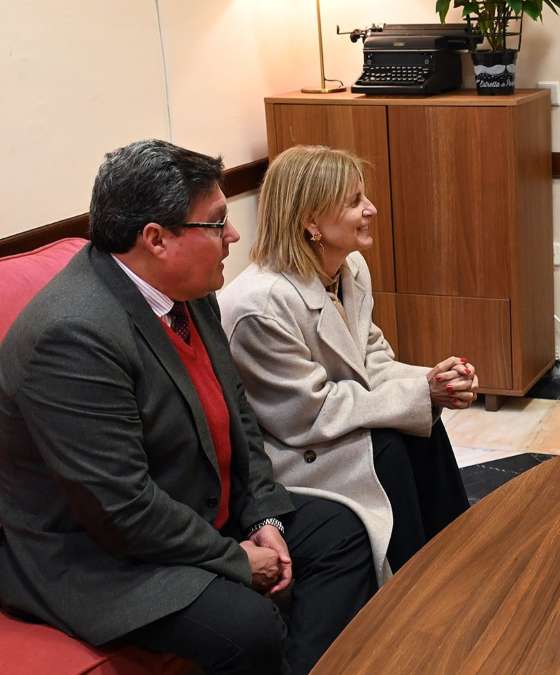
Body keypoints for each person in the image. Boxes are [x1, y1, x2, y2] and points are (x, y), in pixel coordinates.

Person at [0, 140, 377, 674]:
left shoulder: (190, 287)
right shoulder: (73, 335)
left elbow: (238, 415)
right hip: (103, 558)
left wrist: (263, 514)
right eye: (217, 222)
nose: (234, 235)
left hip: (193, 508)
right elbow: (121, 508)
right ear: (156, 239)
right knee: (247, 625)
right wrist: (236, 559)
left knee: (341, 533)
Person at [219, 145, 472, 586]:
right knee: (387, 446)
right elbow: (309, 414)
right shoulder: (259, 306)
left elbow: (371, 355)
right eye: (355, 202)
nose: (371, 209)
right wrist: (418, 394)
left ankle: (457, 560)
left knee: (422, 426)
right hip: (289, 450)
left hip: (327, 423)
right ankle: (412, 589)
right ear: (311, 222)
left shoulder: (349, 267)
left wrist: (433, 381)